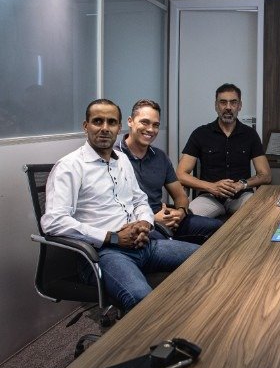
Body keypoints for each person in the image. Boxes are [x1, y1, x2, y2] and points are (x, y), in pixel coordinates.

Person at [41, 99, 199, 312]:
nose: (105, 128)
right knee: (143, 301)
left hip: (142, 244)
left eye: (111, 122)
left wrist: (144, 223)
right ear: (86, 126)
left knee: (206, 257)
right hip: (104, 254)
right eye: (98, 121)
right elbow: (53, 222)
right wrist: (112, 237)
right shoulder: (69, 166)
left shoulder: (122, 160)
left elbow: (139, 200)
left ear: (119, 127)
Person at [116, 99, 223, 245]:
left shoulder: (160, 157)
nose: (150, 129)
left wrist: (179, 213)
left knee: (218, 228)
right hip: (136, 225)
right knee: (170, 246)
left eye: (155, 125)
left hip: (165, 218)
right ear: (130, 121)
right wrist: (152, 219)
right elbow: (110, 210)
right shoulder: (113, 157)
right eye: (144, 122)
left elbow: (180, 196)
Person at [177, 83, 272, 217]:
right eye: (223, 102)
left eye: (233, 102)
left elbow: (266, 175)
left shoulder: (250, 135)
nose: (228, 107)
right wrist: (212, 187)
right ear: (216, 105)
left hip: (241, 196)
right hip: (209, 197)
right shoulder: (200, 134)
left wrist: (242, 184)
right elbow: (180, 174)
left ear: (239, 106)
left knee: (258, 214)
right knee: (188, 219)